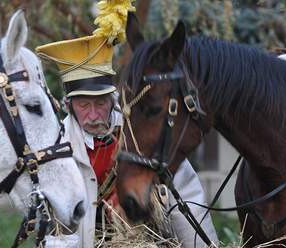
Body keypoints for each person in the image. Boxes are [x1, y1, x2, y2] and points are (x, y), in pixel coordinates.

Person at [35, 1, 218, 247]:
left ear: (113, 100)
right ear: (68, 105)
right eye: (83, 106)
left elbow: (186, 194)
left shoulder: (142, 131)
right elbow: (55, 223)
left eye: (100, 104)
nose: (93, 115)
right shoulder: (57, 149)